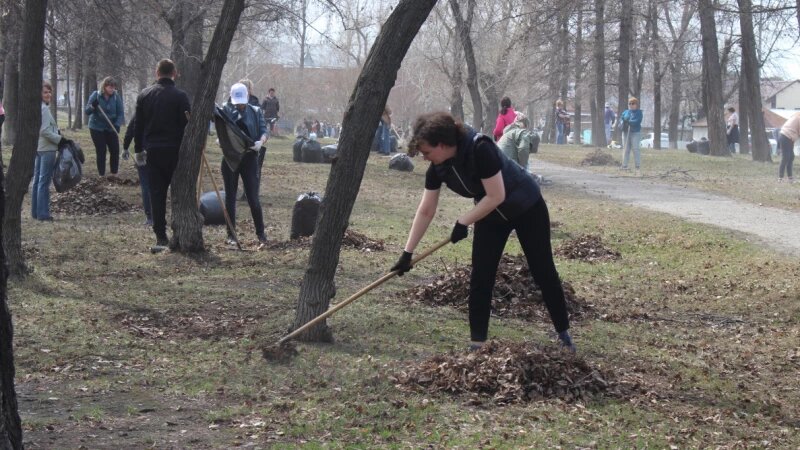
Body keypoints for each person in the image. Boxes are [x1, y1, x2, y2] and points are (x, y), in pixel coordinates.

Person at [391, 111, 575, 352]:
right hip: (490, 213)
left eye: (427, 152)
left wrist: (463, 221)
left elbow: (497, 195)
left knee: (542, 270)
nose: (425, 158)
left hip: (526, 205)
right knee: (481, 275)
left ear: (444, 144)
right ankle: (477, 344)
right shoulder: (438, 168)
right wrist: (407, 253)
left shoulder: (480, 148)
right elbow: (426, 210)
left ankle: (563, 335)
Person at [134, 59, 191, 248]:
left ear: (156, 73)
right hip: (175, 151)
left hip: (153, 151)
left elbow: (138, 126)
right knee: (178, 192)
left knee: (156, 194)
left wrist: (137, 150)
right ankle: (180, 229)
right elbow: (187, 126)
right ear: (173, 73)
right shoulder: (180, 96)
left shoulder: (145, 95)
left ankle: (160, 235)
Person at [221, 83, 268, 244]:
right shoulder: (225, 110)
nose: (240, 105)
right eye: (237, 101)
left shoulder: (255, 112)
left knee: (253, 198)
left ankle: (261, 234)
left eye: (242, 101)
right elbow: (221, 129)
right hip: (230, 158)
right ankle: (231, 235)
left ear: (247, 97)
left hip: (249, 158)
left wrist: (260, 141)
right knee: (230, 197)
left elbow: (263, 130)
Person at [32, 82, 65, 222]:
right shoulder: (44, 109)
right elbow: (44, 130)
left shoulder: (39, 107)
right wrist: (60, 140)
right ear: (39, 94)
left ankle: (36, 212)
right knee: (43, 182)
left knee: (37, 181)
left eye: (50, 92)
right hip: (47, 148)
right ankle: (43, 214)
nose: (49, 95)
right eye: (45, 92)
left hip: (39, 148)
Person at [85, 76, 125, 177]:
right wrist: (93, 106)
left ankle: (114, 173)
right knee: (101, 150)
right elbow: (87, 111)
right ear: (105, 86)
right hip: (96, 127)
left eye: (113, 87)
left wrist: (117, 124)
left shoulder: (116, 97)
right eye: (110, 87)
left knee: (115, 149)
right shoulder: (96, 95)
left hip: (111, 127)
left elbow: (120, 113)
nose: (112, 89)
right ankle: (101, 175)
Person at [123, 114, 152, 225]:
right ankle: (158, 214)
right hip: (159, 151)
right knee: (158, 185)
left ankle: (150, 217)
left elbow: (130, 132)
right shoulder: (161, 112)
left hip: (142, 153)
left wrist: (125, 148)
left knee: (146, 185)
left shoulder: (138, 115)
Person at [619, 97, 643, 172]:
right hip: (626, 132)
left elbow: (637, 121)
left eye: (633, 103)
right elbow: (621, 119)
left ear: (636, 105)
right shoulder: (626, 112)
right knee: (626, 148)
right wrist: (623, 122)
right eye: (630, 103)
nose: (631, 105)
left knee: (635, 149)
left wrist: (629, 122)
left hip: (635, 132)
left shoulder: (639, 112)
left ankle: (637, 166)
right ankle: (624, 165)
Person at [777, 111, 800, 183]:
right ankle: (780, 178)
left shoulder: (796, 116)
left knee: (791, 157)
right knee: (785, 157)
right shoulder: (798, 118)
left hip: (787, 137)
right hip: (786, 136)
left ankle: (790, 178)